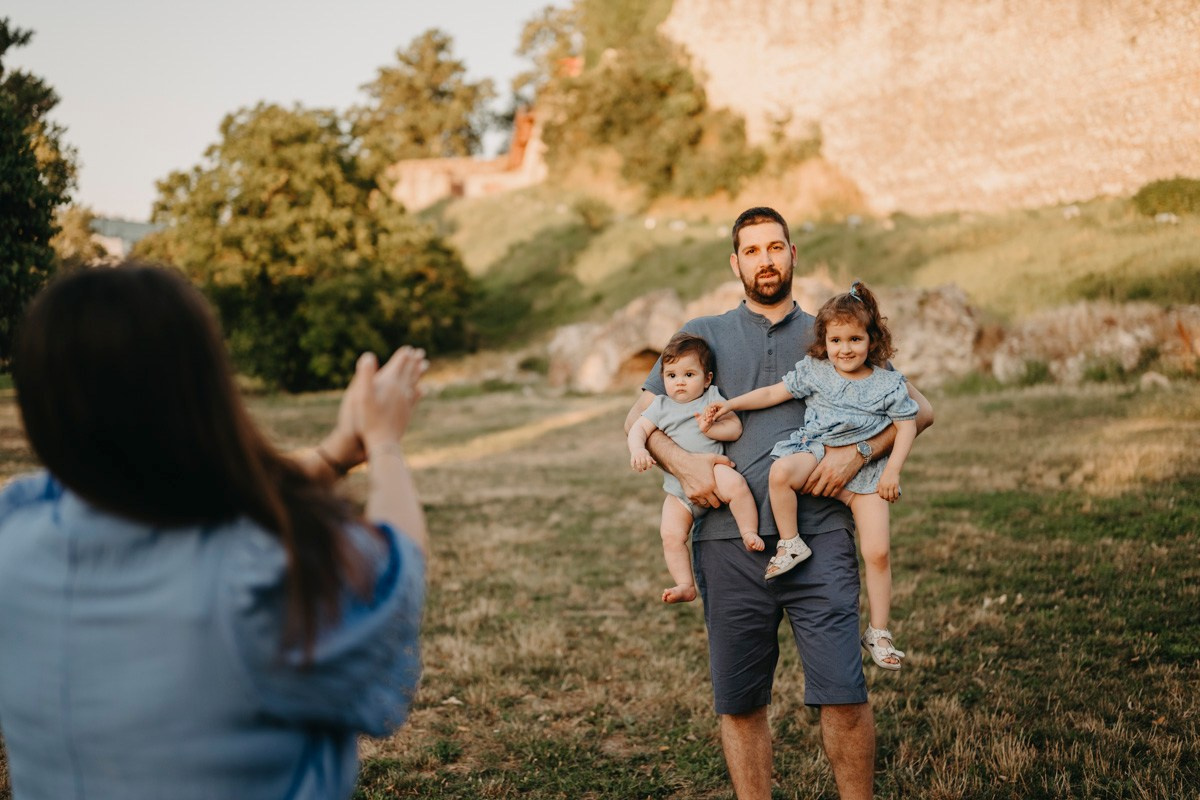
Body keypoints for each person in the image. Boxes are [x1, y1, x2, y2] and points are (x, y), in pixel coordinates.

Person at [0, 264, 430, 800]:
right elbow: (395, 576)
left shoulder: (15, 529)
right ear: (200, 388)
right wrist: (384, 441)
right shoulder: (250, 581)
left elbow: (179, 484)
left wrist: (336, 452)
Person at [624, 207, 933, 800]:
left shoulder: (836, 331)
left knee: (843, 694)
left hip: (820, 539)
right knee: (741, 703)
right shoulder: (702, 333)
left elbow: (919, 409)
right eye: (752, 250)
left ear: (793, 254)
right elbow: (637, 420)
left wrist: (859, 452)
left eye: (775, 247)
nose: (765, 260)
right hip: (725, 543)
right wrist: (685, 464)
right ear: (734, 263)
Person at [700, 281, 918, 670]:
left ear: (873, 340)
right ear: (824, 341)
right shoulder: (816, 372)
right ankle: (791, 542)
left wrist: (893, 472)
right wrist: (728, 403)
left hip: (865, 474)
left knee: (878, 552)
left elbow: (908, 424)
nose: (845, 349)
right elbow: (771, 394)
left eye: (855, 339)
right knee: (781, 470)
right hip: (817, 451)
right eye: (836, 340)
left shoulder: (887, 383)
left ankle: (879, 632)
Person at [627, 332, 763, 604]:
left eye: (689, 375)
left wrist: (712, 428)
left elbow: (735, 429)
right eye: (672, 375)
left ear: (707, 378)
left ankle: (748, 531)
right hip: (678, 490)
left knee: (737, 485)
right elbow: (637, 429)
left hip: (714, 470)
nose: (679, 382)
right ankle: (685, 585)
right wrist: (638, 450)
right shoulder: (660, 406)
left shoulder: (711, 398)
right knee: (670, 534)